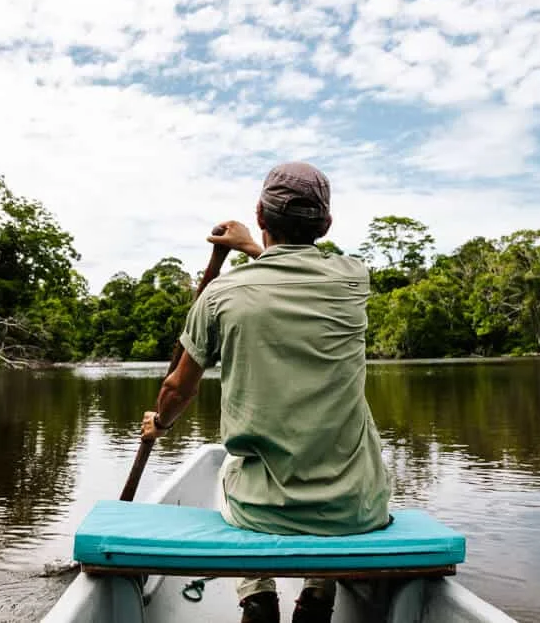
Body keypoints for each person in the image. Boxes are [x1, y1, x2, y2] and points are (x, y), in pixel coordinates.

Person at [140, 161, 391, 623]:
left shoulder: (219, 296)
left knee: (226, 472)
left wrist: (159, 423)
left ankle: (257, 595)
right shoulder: (354, 279)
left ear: (260, 213)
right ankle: (318, 596)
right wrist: (253, 249)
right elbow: (292, 277)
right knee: (340, 478)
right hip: (354, 507)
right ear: (326, 224)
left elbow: (177, 390)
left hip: (262, 511)